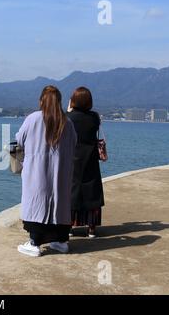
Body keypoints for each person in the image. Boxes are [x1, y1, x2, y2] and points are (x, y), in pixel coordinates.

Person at [16, 86, 77, 257]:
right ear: (59, 101)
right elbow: (74, 143)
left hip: (37, 170)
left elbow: (19, 140)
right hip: (61, 171)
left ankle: (35, 242)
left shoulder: (33, 118)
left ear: (41, 100)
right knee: (60, 203)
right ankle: (61, 241)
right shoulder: (67, 122)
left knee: (36, 201)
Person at [67, 87, 105, 238]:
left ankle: (69, 226)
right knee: (92, 192)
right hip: (90, 158)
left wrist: (69, 110)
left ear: (73, 101)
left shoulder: (68, 117)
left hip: (73, 158)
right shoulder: (94, 117)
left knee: (71, 192)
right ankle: (91, 228)